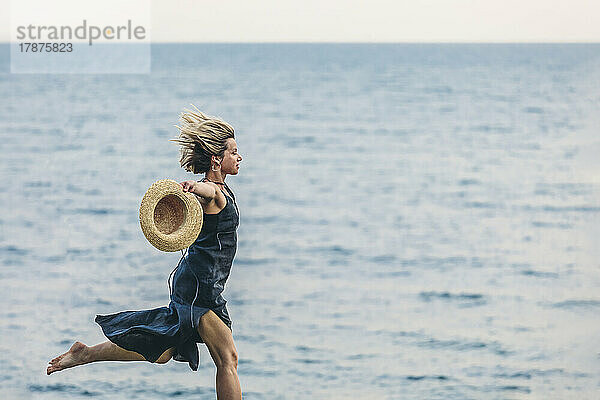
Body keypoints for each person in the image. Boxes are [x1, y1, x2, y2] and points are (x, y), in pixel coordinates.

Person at [46, 107, 244, 400]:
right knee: (228, 359)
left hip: (200, 282)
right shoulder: (214, 192)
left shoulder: (224, 190)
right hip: (199, 289)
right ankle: (84, 354)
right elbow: (206, 191)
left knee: (163, 350)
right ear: (217, 159)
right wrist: (194, 186)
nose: (239, 157)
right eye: (234, 152)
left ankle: (85, 354)